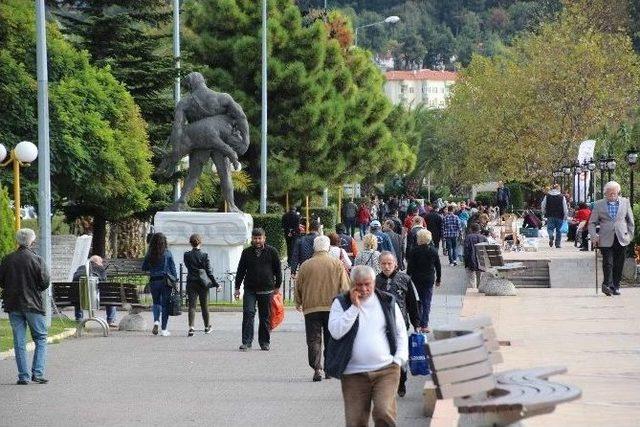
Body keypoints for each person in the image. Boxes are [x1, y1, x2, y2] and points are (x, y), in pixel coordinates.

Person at [328, 265, 408, 427]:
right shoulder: (341, 303)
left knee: (383, 412)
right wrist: (354, 308)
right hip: (353, 374)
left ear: (374, 283)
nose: (363, 289)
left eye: (367, 284)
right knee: (355, 421)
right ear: (352, 284)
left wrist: (399, 360)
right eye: (359, 284)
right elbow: (336, 331)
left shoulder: (387, 301)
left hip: (386, 369)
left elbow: (400, 332)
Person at [296, 235, 350, 381]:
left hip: (311, 307)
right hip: (332, 308)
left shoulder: (305, 265)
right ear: (327, 248)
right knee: (331, 338)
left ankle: (317, 368)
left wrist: (298, 301)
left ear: (315, 248)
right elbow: (345, 287)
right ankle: (328, 368)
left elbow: (298, 285)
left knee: (313, 339)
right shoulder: (337, 264)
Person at [0, 229, 50, 385]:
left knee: (19, 341)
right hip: (33, 304)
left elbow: (1, 281)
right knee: (40, 337)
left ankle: (23, 376)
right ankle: (38, 373)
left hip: (13, 304)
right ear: (32, 241)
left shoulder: (7, 259)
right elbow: (45, 282)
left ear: (17, 241)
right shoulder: (37, 260)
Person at [375, 252, 420, 397]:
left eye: (389, 263)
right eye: (384, 263)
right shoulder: (375, 281)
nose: (387, 266)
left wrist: (417, 323)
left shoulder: (405, 279)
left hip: (400, 325)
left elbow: (412, 303)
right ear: (379, 264)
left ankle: (401, 380)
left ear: (395, 264)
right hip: (381, 325)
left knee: (399, 355)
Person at [235, 228, 282, 351]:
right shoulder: (246, 252)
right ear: (252, 239)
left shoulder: (272, 252)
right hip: (250, 289)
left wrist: (277, 286)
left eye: (259, 238)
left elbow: (278, 270)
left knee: (265, 316)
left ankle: (264, 342)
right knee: (248, 313)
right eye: (255, 238)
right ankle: (246, 342)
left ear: (264, 238)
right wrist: (237, 288)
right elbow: (241, 271)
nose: (257, 241)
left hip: (267, 289)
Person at [588, 181, 635, 296]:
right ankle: (607, 285)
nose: (612, 196)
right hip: (605, 238)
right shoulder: (599, 204)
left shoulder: (625, 202)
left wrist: (629, 235)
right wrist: (594, 236)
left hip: (622, 237)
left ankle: (616, 286)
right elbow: (592, 223)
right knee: (608, 262)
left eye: (614, 193)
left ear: (618, 192)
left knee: (619, 263)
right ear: (605, 193)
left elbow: (630, 221)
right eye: (610, 194)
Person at [142, 233, 177, 337]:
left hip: (153, 281)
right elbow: (173, 269)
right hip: (165, 281)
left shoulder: (149, 253)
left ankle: (156, 321)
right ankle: (164, 329)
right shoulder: (168, 253)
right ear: (164, 242)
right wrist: (175, 280)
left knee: (156, 302)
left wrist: (152, 267)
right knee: (165, 305)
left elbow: (144, 267)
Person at [407, 229, 441, 332]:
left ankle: (417, 323)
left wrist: (407, 278)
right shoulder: (433, 250)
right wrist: (439, 279)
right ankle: (424, 324)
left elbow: (410, 267)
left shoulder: (414, 251)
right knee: (426, 301)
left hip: (416, 279)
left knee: (417, 301)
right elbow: (438, 266)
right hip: (428, 278)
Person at [183, 234, 218, 337]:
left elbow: (187, 266)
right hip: (203, 284)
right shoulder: (204, 255)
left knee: (192, 306)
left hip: (191, 282)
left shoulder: (187, 255)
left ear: (190, 243)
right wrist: (216, 284)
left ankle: (191, 328)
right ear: (200, 242)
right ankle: (207, 327)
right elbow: (209, 271)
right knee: (204, 306)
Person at [72, 255, 116, 328]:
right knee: (110, 297)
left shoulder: (81, 268)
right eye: (101, 262)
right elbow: (104, 286)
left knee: (79, 294)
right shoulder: (100, 269)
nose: (102, 264)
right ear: (96, 262)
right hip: (95, 299)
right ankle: (110, 320)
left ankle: (79, 319)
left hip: (78, 298)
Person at [541, 184, 568, 248]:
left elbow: (543, 205)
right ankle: (557, 244)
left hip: (550, 215)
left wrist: (543, 212)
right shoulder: (562, 197)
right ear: (558, 189)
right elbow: (565, 207)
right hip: (560, 215)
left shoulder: (547, 196)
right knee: (559, 230)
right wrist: (565, 215)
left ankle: (551, 236)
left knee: (550, 228)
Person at [463, 223, 488, 289]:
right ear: (479, 230)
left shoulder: (468, 237)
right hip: (481, 261)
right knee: (480, 277)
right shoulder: (484, 238)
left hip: (470, 260)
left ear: (471, 229)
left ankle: (472, 291)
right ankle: (479, 289)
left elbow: (466, 251)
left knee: (471, 279)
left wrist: (465, 262)